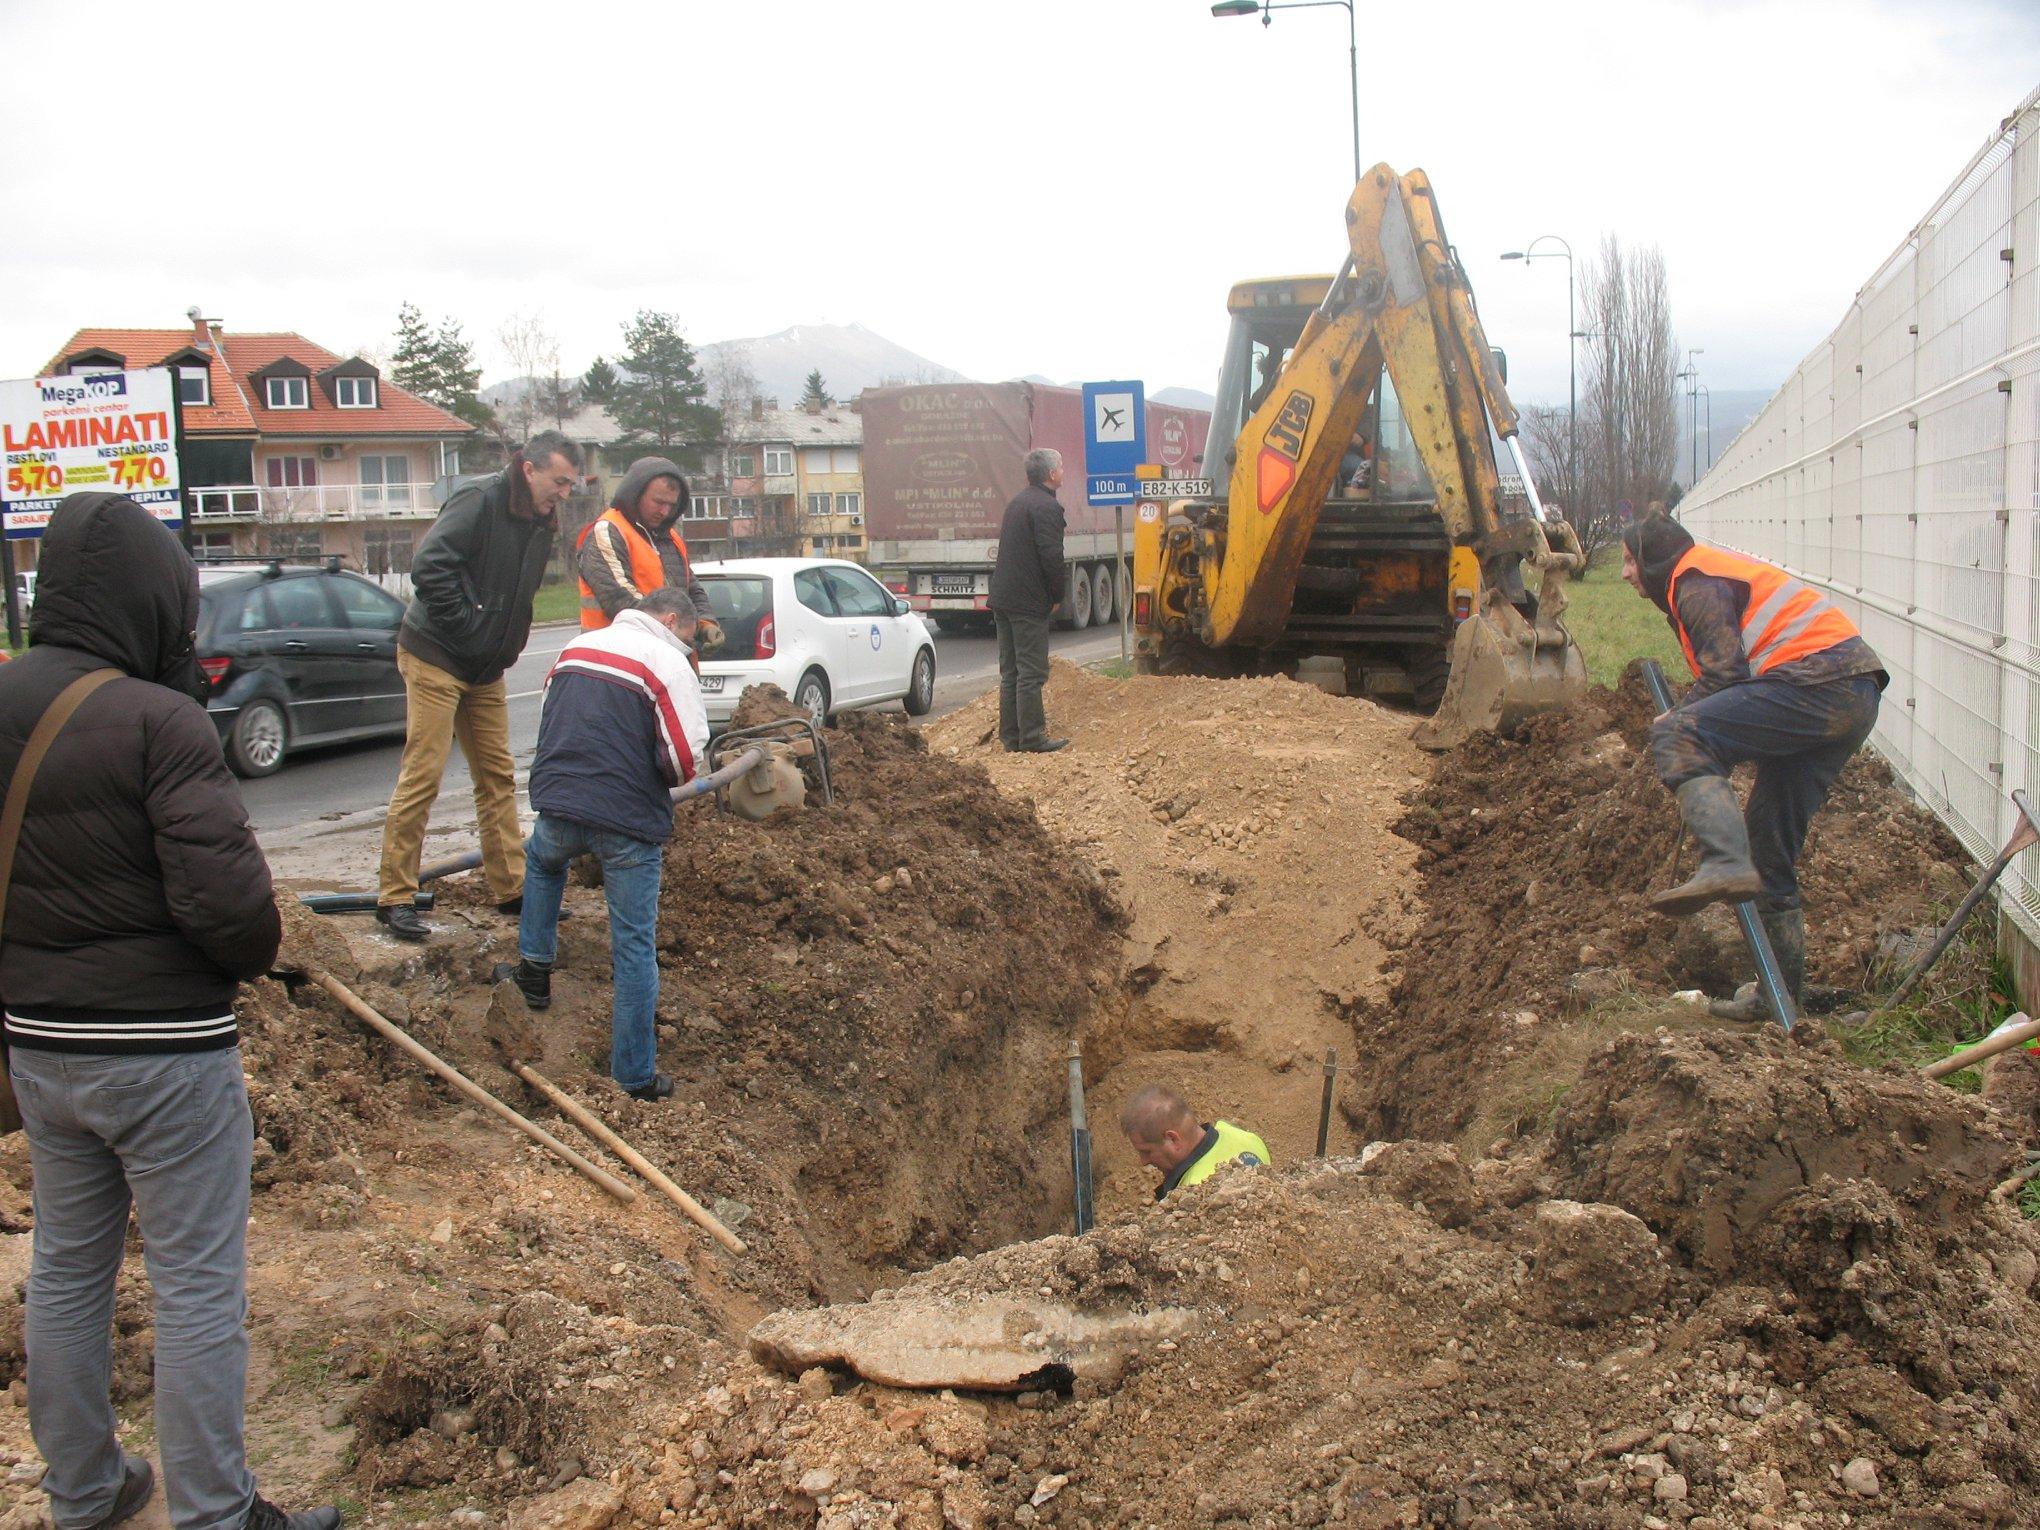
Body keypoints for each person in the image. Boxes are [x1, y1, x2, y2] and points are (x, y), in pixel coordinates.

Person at [0, 493, 338, 1529]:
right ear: (153, 596)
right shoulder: (160, 720)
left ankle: (86, 1494)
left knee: (65, 1271)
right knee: (196, 1287)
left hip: (39, 1049)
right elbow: (235, 919)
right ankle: (214, 1513)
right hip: (164, 1057)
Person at [1623, 515, 1887, 1014]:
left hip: (1818, 681)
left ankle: (1723, 861)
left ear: (1656, 559)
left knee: (1678, 731)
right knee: (1769, 847)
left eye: (1632, 560)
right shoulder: (1704, 578)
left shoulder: (1696, 581)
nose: (1626, 573)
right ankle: (1777, 998)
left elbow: (1724, 676)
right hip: (1852, 692)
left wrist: (1681, 721)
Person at [497, 587, 710, 1101]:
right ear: (673, 619)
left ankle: (534, 973)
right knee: (634, 942)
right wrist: (659, 779)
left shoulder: (575, 648)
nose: (691, 645)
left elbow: (551, 724)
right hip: (627, 822)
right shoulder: (667, 662)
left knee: (545, 866)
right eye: (691, 635)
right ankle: (634, 1077)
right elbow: (685, 756)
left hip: (561, 802)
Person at [375, 431, 584, 941]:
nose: (564, 493)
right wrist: (469, 627)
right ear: (528, 468)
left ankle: (512, 889)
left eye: (571, 485)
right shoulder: (479, 499)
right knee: (423, 773)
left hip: (485, 668)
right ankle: (394, 896)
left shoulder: (541, 520)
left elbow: (519, 593)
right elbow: (429, 567)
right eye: (559, 481)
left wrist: (496, 642)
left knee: (496, 777)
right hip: (437, 656)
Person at [574, 456, 725, 654]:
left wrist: (705, 623)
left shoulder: (671, 538)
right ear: (635, 494)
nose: (664, 511)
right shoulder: (608, 531)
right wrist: (682, 630)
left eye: (671, 505)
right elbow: (619, 599)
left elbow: (691, 589)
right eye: (658, 502)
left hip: (663, 658)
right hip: (616, 660)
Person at [986, 447, 1068, 754]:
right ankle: (1033, 738)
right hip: (1027, 601)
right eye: (1061, 467)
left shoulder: (1017, 503)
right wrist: (1057, 595)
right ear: (1050, 474)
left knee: (1011, 672)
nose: (1063, 471)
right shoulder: (1046, 508)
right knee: (1031, 672)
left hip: (1003, 597)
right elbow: (1052, 557)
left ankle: (1011, 738)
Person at [1120, 1085, 1270, 1201]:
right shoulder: (1247, 1138)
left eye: (1146, 1151)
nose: (1143, 1161)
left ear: (1173, 1139)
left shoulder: (1193, 1194)